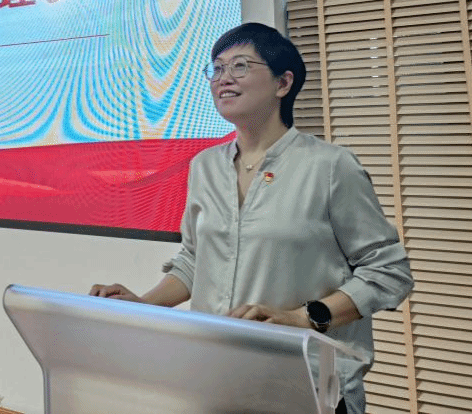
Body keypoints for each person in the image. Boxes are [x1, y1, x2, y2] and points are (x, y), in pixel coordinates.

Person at [90, 22, 413, 414]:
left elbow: (388, 272)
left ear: (283, 83)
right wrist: (141, 304)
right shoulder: (205, 167)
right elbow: (195, 261)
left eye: (240, 66)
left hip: (308, 385)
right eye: (216, 69)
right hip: (217, 377)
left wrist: (304, 318)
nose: (223, 78)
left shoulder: (330, 166)